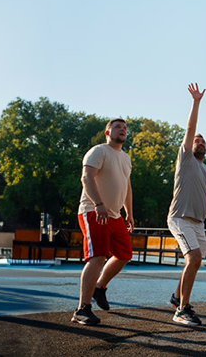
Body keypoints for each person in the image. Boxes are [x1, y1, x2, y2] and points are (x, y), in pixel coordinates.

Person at [71, 118, 135, 326]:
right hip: (93, 211)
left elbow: (127, 188)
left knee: (124, 254)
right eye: (117, 127)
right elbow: (86, 177)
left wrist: (130, 213)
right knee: (97, 257)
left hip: (115, 216)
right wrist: (98, 204)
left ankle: (100, 287)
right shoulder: (99, 151)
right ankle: (82, 308)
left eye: (124, 128)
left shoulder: (125, 158)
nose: (122, 130)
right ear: (107, 133)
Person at [166, 83, 206, 326]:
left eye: (203, 141)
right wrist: (196, 102)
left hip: (199, 223)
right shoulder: (185, 158)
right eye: (197, 140)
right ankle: (182, 310)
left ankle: (177, 298)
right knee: (194, 258)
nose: (200, 142)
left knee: (194, 261)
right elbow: (190, 128)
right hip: (180, 217)